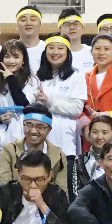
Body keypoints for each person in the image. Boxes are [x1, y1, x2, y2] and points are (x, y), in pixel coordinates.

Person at [35, 34, 86, 170]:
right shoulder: (36, 76)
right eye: (51, 48)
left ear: (67, 52)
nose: (55, 52)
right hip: (39, 138)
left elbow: (76, 109)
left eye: (60, 48)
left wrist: (49, 102)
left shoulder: (76, 76)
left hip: (65, 139)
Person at [0, 40, 40, 153]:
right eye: (7, 56)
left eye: (16, 57)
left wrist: (10, 79)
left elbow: (24, 104)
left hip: (22, 138)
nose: (11, 61)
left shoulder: (32, 81)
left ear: (23, 60)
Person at [0, 103, 68, 191]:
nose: (33, 131)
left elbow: (62, 192)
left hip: (47, 199)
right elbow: (4, 186)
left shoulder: (59, 156)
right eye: (29, 125)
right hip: (15, 198)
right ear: (23, 125)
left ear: (49, 130)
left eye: (40, 127)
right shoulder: (9, 151)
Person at [71, 114, 112, 197]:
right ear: (89, 135)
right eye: (95, 132)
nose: (99, 137)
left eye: (105, 133)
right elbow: (76, 192)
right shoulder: (80, 160)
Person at [14, 6, 45, 72]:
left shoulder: (47, 49)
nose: (28, 23)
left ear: (40, 24)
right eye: (23, 20)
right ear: (17, 25)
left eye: (33, 19)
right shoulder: (10, 49)